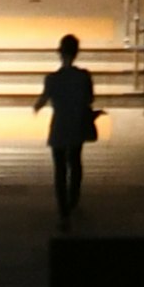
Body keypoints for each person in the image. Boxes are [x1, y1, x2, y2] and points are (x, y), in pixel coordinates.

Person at [38, 30, 101, 224]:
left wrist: (37, 107)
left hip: (59, 127)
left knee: (59, 168)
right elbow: (90, 99)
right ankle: (74, 198)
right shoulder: (84, 77)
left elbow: (43, 99)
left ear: (60, 52)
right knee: (75, 161)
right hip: (76, 124)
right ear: (76, 53)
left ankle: (63, 208)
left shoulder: (52, 79)